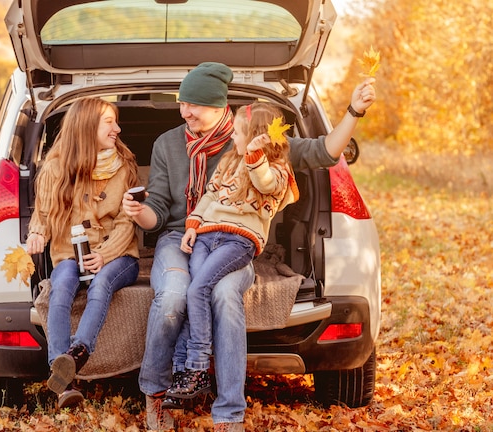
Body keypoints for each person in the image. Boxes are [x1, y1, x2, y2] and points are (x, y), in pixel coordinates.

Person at [122, 62, 376, 432]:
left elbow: (323, 151)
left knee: (225, 295)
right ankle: (157, 395)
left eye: (194, 104)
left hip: (233, 240)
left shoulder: (252, 136)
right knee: (174, 295)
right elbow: (158, 213)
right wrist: (139, 212)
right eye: (182, 102)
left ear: (218, 105)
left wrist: (354, 111)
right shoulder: (168, 144)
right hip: (181, 237)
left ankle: (229, 415)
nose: (184, 111)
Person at [165, 102, 299, 400]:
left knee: (199, 289)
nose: (232, 138)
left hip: (238, 241)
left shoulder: (277, 171)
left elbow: (263, 182)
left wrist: (254, 155)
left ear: (255, 135)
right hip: (206, 237)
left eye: (237, 133)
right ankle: (184, 371)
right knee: (192, 292)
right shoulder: (228, 160)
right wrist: (192, 225)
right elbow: (210, 196)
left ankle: (195, 368)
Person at [27, 97, 140, 409]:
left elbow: (126, 221)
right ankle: (63, 380)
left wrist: (104, 254)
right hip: (69, 254)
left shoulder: (124, 166)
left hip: (119, 258)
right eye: (110, 122)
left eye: (116, 122)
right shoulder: (55, 167)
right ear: (88, 126)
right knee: (60, 288)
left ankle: (79, 352)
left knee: (102, 284)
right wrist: (37, 233)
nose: (117, 128)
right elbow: (45, 213)